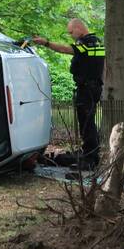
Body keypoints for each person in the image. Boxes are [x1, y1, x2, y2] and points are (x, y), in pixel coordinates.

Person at [33, 18, 105, 169]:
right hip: (94, 87)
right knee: (88, 122)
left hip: (87, 89)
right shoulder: (97, 42)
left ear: (79, 28)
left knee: (86, 123)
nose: (71, 35)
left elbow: (65, 50)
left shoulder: (86, 43)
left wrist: (46, 43)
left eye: (71, 32)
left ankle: (90, 158)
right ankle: (89, 152)